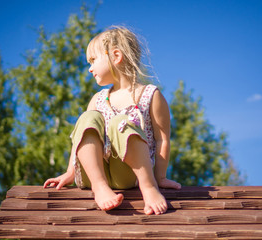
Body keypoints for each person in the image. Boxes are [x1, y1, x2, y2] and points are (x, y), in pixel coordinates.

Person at [43, 26, 181, 215]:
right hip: (94, 174)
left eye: (93, 60)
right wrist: (70, 172)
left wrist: (160, 177)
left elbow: (161, 139)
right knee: (87, 117)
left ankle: (148, 188)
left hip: (130, 173)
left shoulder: (149, 95)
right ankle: (100, 188)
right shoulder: (98, 99)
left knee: (120, 122)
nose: (90, 68)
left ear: (116, 56)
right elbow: (82, 138)